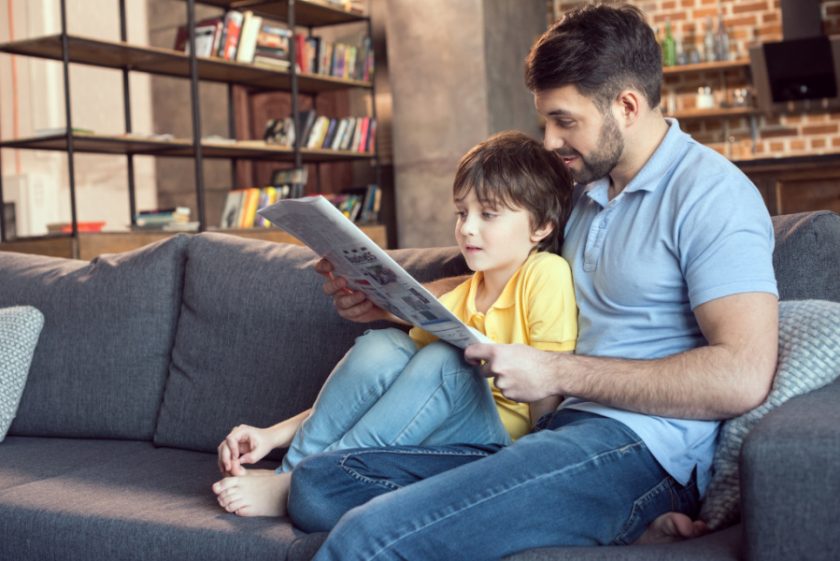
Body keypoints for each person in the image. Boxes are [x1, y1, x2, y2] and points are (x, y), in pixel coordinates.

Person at [284, 4, 780, 560]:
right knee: (317, 486)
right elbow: (496, 281)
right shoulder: (583, 193)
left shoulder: (713, 195)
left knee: (366, 537)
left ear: (627, 106)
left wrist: (554, 370)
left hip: (637, 448)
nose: (549, 141)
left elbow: (742, 375)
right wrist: (385, 303)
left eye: (565, 121)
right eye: (545, 120)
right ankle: (600, 527)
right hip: (550, 434)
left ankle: (598, 515)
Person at [212, 130, 578, 517]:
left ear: (541, 227)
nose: (468, 228)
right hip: (440, 435)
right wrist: (272, 435)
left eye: (488, 214)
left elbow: (549, 399)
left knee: (444, 360)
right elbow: (384, 392)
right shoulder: (462, 294)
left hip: (497, 447)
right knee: (383, 345)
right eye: (462, 212)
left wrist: (538, 481)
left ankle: (305, 482)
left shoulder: (545, 274)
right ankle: (292, 470)